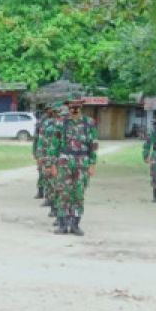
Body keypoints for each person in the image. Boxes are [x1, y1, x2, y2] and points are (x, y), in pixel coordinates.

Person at [48, 100, 98, 235]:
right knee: (63, 192)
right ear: (68, 107)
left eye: (77, 106)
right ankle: (63, 225)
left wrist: (92, 164)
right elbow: (54, 145)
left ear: (81, 107)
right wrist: (52, 164)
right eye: (71, 106)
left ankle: (75, 224)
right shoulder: (60, 123)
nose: (74, 109)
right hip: (64, 162)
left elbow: (93, 145)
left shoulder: (89, 123)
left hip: (82, 162)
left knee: (79, 193)